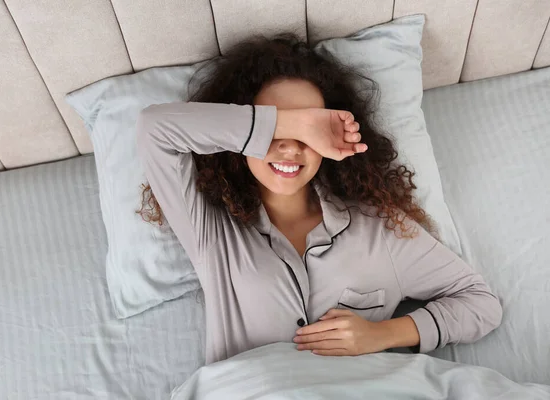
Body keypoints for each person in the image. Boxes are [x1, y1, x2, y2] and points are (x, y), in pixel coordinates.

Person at [135, 35, 502, 364]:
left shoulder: (379, 229)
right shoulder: (212, 231)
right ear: (241, 138)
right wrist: (295, 124)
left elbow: (480, 303)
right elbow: (156, 129)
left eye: (311, 133)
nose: (291, 148)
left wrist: (381, 335)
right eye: (276, 128)